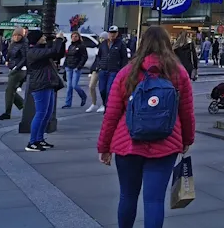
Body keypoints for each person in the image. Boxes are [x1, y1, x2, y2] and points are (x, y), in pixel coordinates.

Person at [97, 25, 195, 228]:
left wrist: (104, 147)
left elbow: (112, 114)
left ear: (142, 44)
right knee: (154, 201)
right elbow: (186, 112)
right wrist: (187, 139)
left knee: (127, 196)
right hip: (165, 143)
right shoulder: (178, 73)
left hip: (129, 142)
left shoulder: (127, 72)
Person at [25, 33, 67, 151]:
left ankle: (40, 139)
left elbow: (57, 54)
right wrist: (58, 39)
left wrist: (62, 42)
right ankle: (32, 142)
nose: (44, 38)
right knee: (40, 113)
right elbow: (53, 51)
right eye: (42, 36)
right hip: (40, 84)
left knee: (47, 114)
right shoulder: (33, 52)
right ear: (37, 39)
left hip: (47, 83)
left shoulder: (40, 50)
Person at [0, 27, 28, 120]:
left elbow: (25, 58)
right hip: (13, 67)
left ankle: (8, 112)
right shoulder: (13, 43)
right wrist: (7, 60)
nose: (16, 37)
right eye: (15, 35)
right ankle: (24, 106)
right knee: (11, 90)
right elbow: (9, 53)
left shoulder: (24, 44)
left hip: (20, 69)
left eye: (19, 35)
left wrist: (16, 67)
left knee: (9, 90)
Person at [97, 26, 130, 111]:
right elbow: (99, 56)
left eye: (114, 33)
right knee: (102, 90)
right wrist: (98, 66)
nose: (112, 34)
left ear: (117, 33)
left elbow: (124, 58)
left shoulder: (121, 44)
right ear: (108, 33)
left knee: (109, 90)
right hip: (103, 69)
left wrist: (122, 70)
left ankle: (107, 108)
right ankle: (105, 104)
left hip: (114, 70)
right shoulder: (103, 43)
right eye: (111, 32)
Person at [62, 32, 88, 109]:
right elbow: (67, 57)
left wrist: (79, 66)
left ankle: (83, 96)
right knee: (69, 86)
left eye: (76, 36)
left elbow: (84, 57)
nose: (74, 38)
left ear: (79, 37)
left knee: (74, 85)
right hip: (68, 67)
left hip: (76, 68)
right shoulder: (71, 46)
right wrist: (64, 66)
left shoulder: (81, 46)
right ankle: (68, 103)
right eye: (72, 36)